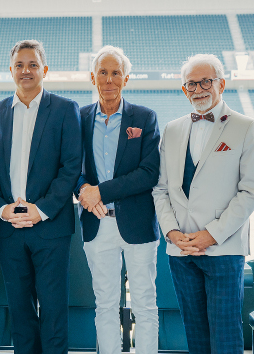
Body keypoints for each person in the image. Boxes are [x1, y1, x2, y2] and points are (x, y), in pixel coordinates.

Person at [152, 54, 254, 354]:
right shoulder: (172, 129)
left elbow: (251, 191)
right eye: (191, 83)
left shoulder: (247, 126)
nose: (199, 88)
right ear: (183, 89)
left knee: (226, 336)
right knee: (195, 336)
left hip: (223, 249)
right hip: (181, 250)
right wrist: (172, 234)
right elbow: (161, 189)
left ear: (221, 84)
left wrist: (211, 234)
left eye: (206, 81)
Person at [0, 40, 81, 354]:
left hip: (50, 227)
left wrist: (42, 210)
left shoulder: (66, 109)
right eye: (20, 65)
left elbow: (70, 167)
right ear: (11, 70)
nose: (26, 71)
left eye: (33, 65)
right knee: (20, 311)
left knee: (53, 311)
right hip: (9, 227)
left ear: (45, 70)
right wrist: (1, 208)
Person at [76, 45, 161, 354]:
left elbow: (149, 173)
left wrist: (102, 191)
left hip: (137, 225)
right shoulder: (80, 117)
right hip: (97, 226)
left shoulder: (145, 117)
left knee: (145, 304)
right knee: (105, 304)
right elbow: (72, 167)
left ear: (126, 78)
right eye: (102, 72)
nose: (109, 80)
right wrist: (84, 189)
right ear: (92, 77)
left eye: (115, 73)